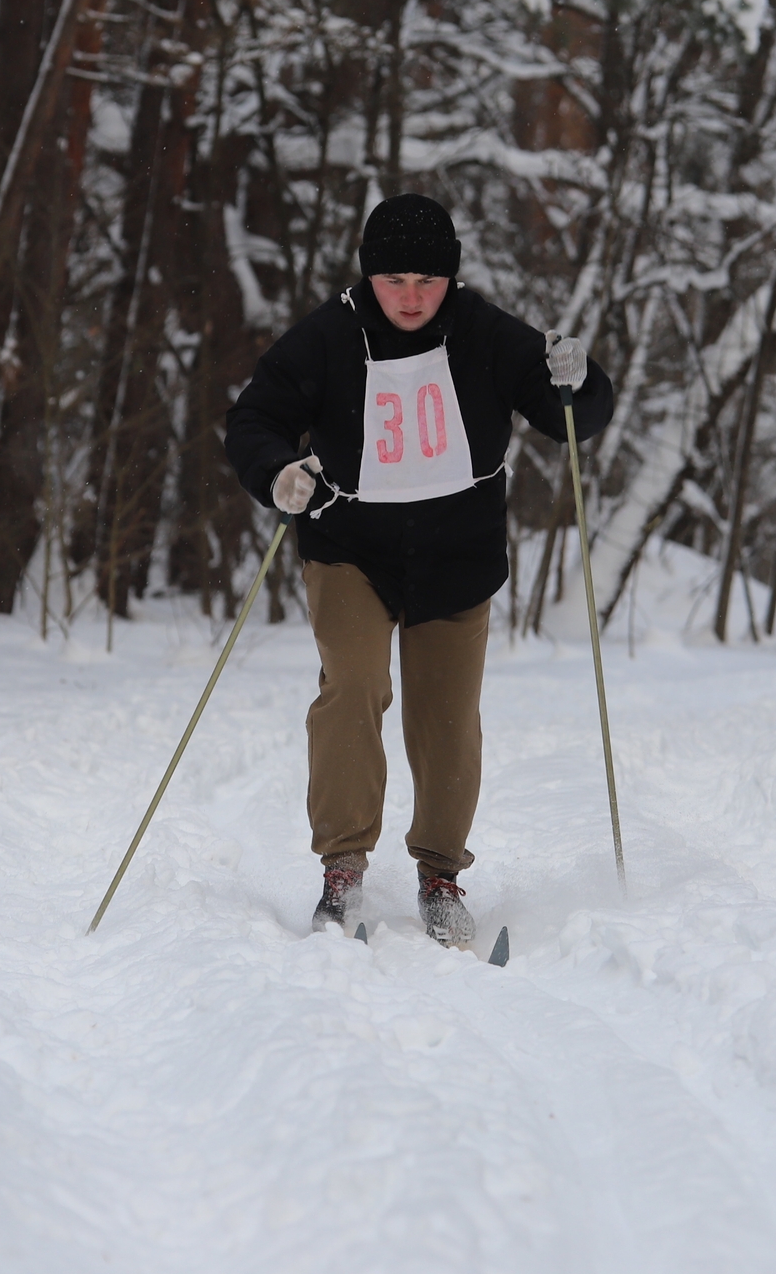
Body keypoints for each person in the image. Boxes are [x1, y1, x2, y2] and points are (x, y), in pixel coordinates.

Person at [224, 194, 614, 944]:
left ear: (452, 279)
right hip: (349, 550)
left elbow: (571, 418)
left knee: (445, 718)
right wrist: (276, 473)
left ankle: (440, 876)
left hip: (456, 558)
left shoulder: (486, 334)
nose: (409, 297)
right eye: (394, 279)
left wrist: (580, 377)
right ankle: (343, 870)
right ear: (370, 275)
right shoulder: (329, 336)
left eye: (427, 281)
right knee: (354, 684)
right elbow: (255, 418)